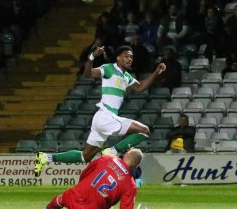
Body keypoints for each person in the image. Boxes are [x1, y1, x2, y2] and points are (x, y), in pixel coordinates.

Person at [34, 45, 166, 172]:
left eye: (131, 57)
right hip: (106, 116)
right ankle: (113, 151)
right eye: (126, 56)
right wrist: (92, 56)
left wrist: (156, 73)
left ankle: (45, 157)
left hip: (102, 119)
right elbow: (88, 73)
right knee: (144, 130)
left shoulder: (126, 76)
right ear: (118, 58)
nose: (129, 59)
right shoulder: (109, 68)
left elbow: (140, 87)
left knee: (85, 157)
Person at [43, 148, 150, 209]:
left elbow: (85, 172)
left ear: (126, 154)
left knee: (63, 198)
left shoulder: (107, 158)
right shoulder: (131, 186)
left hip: (75, 197)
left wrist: (82, 185)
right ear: (137, 166)